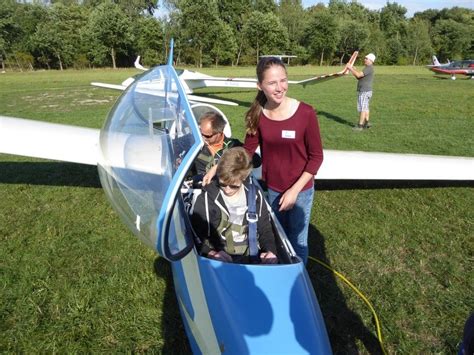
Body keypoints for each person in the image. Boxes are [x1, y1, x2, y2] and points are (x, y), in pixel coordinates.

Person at [243, 56, 324, 264]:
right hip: (273, 189)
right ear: (260, 86)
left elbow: (316, 157)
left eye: (283, 80)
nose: (280, 88)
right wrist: (219, 169)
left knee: (298, 241)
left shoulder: (305, 113)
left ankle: (298, 282)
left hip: (301, 191)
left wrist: (294, 191)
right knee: (276, 239)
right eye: (272, 83)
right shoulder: (257, 114)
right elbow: (247, 151)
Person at [191, 147, 278, 264]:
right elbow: (196, 234)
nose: (227, 190)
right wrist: (211, 253)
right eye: (222, 184)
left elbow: (265, 229)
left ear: (244, 178)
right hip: (220, 258)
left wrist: (270, 251)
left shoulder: (255, 195)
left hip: (251, 256)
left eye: (233, 186)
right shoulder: (206, 197)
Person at [190, 111, 260, 179]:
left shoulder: (233, 145)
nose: (202, 137)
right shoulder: (193, 142)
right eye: (200, 133)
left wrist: (232, 162)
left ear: (219, 132)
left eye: (207, 136)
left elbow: (257, 160)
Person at [346, 53, 376, 131]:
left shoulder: (369, 68)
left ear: (371, 60)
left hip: (364, 91)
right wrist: (352, 69)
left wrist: (351, 68)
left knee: (362, 108)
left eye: (367, 59)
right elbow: (358, 77)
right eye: (365, 58)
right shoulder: (368, 68)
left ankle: (360, 126)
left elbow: (359, 75)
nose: (365, 60)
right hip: (366, 91)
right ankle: (366, 123)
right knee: (365, 107)